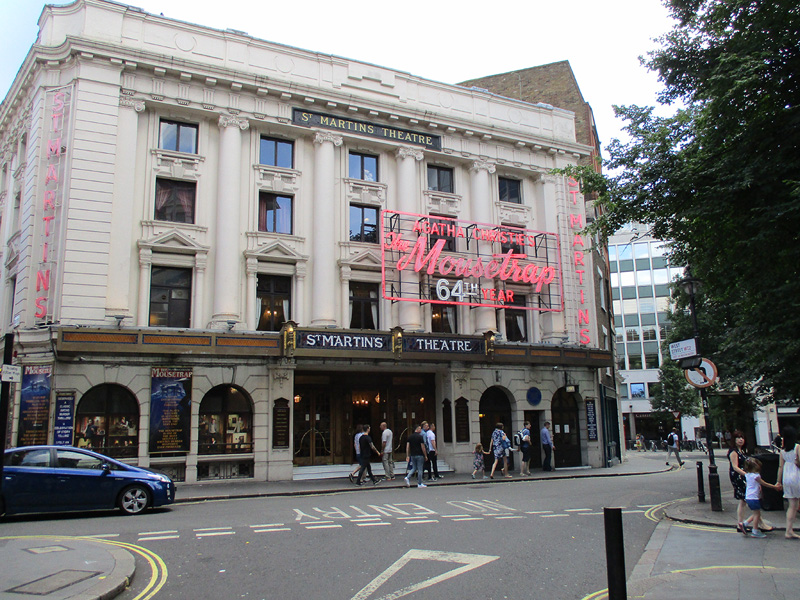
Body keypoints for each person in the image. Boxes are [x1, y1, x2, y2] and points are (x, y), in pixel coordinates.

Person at [741, 457, 782, 538]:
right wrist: (774, 487)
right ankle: (755, 531)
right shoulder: (756, 476)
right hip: (754, 498)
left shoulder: (747, 475)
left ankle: (744, 524)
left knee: (756, 513)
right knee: (757, 515)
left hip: (748, 497)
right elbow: (764, 484)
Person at [728, 430, 754, 533]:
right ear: (734, 440)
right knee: (745, 499)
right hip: (738, 477)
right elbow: (735, 467)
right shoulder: (734, 452)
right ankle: (743, 523)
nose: (741, 439)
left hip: (743, 476)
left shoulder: (742, 451)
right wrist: (747, 475)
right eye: (738, 438)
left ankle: (741, 523)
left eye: (742, 437)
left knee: (743, 501)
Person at [776, 426, 800, 539]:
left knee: (792, 505)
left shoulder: (782, 451)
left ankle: (788, 530)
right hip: (797, 476)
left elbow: (780, 467)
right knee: (795, 505)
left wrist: (778, 482)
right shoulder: (797, 447)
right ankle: (790, 531)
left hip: (786, 477)